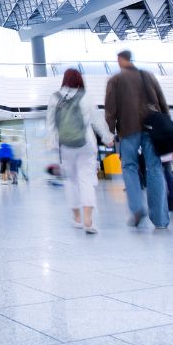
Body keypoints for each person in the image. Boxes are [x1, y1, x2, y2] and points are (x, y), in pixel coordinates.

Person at [105, 50, 170, 229]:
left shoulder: (115, 80)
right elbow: (162, 102)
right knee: (155, 168)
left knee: (129, 167)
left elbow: (110, 109)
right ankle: (160, 220)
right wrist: (167, 125)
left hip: (128, 129)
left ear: (120, 60)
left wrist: (109, 132)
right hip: (152, 128)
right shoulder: (147, 76)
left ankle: (137, 207)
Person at [47, 69, 114, 234]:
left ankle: (77, 218)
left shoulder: (54, 98)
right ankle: (88, 221)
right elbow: (97, 120)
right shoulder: (86, 96)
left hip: (65, 146)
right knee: (86, 180)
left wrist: (54, 144)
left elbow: (51, 124)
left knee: (71, 181)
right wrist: (107, 137)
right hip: (86, 144)